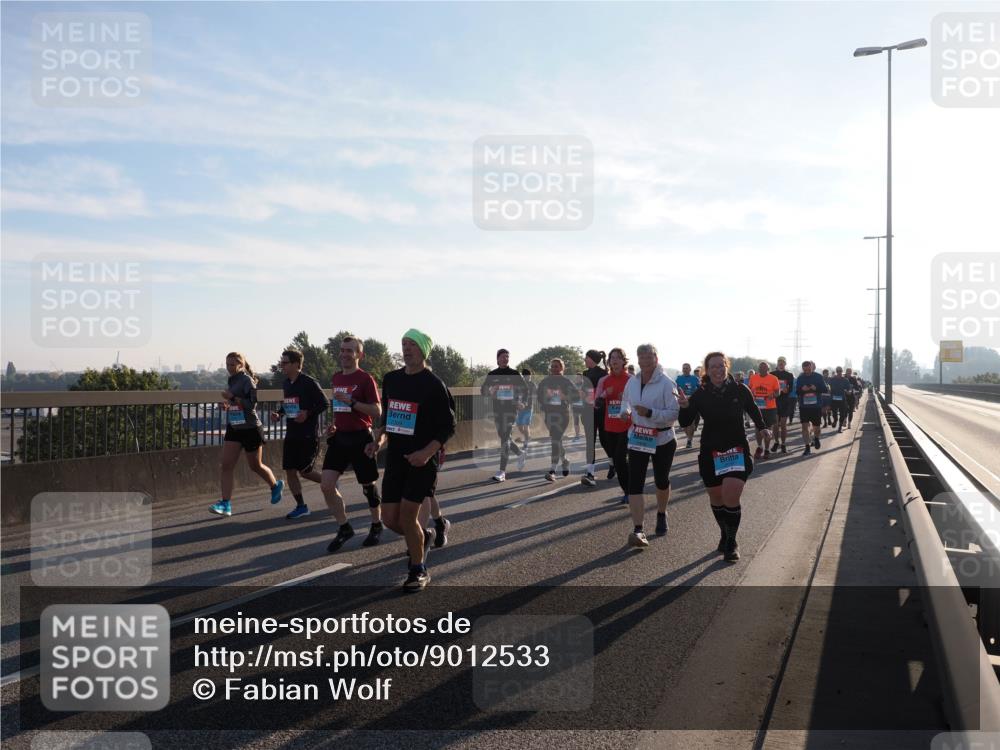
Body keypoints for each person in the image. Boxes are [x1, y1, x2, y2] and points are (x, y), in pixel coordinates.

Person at [369, 329, 455, 591]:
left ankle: (418, 570)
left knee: (408, 516)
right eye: (404, 344)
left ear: (423, 350)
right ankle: (424, 536)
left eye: (412, 345)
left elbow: (448, 427)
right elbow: (387, 421)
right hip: (396, 458)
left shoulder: (434, 384)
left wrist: (427, 452)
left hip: (422, 460)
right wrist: (378, 441)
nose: (407, 349)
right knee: (389, 519)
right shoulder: (392, 379)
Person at [677, 351, 769, 562]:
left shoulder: (740, 389)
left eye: (721, 365)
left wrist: (762, 427)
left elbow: (753, 409)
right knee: (716, 497)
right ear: (707, 371)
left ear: (727, 366)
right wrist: (684, 407)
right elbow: (686, 421)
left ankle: (731, 542)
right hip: (710, 450)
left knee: (731, 493)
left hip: (736, 448)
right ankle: (724, 533)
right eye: (713, 367)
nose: (718, 370)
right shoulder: (700, 393)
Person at [321, 336, 385, 552]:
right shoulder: (336, 377)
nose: (345, 354)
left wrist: (353, 402)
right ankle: (344, 527)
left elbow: (377, 412)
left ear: (359, 354)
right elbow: (339, 408)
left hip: (361, 437)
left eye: (350, 350)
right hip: (340, 438)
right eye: (342, 350)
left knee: (368, 486)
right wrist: (333, 425)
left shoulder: (366, 379)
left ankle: (376, 525)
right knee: (326, 485)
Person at [620, 344, 679, 547]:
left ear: (656, 357)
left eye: (648, 357)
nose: (644, 361)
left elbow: (674, 413)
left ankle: (661, 513)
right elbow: (625, 400)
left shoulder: (666, 383)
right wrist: (625, 412)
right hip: (638, 437)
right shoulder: (633, 381)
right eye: (641, 357)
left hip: (662, 439)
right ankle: (638, 529)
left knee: (661, 480)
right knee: (634, 483)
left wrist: (651, 413)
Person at [210, 352, 283, 517]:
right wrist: (227, 405)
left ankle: (275, 485)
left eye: (232, 364)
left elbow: (251, 405)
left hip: (250, 428)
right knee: (226, 465)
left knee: (255, 466)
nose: (229, 368)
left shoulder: (247, 380)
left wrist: (232, 397)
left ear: (240, 364)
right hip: (235, 427)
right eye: (227, 364)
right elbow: (236, 402)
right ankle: (225, 504)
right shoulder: (232, 380)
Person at [269, 349, 329, 520]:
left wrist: (307, 413)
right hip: (292, 433)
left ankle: (329, 482)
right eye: (282, 362)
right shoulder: (286, 382)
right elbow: (288, 405)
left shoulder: (309, 382)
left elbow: (324, 403)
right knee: (289, 470)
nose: (282, 365)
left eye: (285, 362)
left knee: (305, 471)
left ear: (296, 364)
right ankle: (301, 506)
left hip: (308, 434)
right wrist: (279, 414)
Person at [480, 349, 528, 482]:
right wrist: (490, 391)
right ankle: (520, 453)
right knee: (504, 437)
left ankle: (502, 471)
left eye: (507, 357)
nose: (505, 359)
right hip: (497, 410)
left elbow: (525, 390)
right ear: (498, 359)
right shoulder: (492, 374)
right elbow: (483, 391)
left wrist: (522, 402)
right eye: (503, 357)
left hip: (511, 410)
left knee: (504, 439)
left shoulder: (514, 373)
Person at [594, 347, 631, 503]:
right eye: (612, 358)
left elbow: (638, 401)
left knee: (620, 458)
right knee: (617, 461)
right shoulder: (604, 381)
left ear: (623, 361)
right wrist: (604, 395)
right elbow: (596, 404)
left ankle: (630, 492)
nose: (615, 360)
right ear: (609, 362)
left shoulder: (631, 379)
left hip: (627, 425)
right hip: (610, 426)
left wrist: (626, 398)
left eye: (618, 357)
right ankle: (627, 489)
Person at [536, 359, 579, 481]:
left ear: (562, 368)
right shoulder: (545, 381)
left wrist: (564, 396)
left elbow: (576, 397)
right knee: (557, 440)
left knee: (555, 439)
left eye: (557, 366)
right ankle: (565, 460)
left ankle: (552, 470)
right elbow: (539, 397)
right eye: (553, 366)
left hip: (562, 415)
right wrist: (546, 397)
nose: (555, 368)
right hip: (549, 415)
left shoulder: (566, 382)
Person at [581, 349, 609, 487]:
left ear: (592, 359)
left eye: (586, 357)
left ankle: (613, 462)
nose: (584, 360)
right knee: (589, 443)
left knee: (605, 441)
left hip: (600, 412)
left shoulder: (603, 373)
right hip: (587, 412)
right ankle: (590, 473)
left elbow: (604, 392)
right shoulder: (584, 374)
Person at [748, 361, 780, 459]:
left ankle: (766, 449)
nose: (762, 369)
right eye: (760, 367)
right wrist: (751, 395)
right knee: (758, 428)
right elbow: (749, 389)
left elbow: (778, 392)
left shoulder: (773, 378)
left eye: (764, 367)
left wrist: (772, 396)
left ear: (768, 369)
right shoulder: (753, 377)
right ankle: (760, 447)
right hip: (757, 407)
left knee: (768, 429)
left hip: (770, 408)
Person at [795, 361, 828, 455]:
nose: (807, 372)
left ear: (812, 368)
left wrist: (816, 388)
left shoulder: (818, 377)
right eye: (805, 370)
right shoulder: (800, 378)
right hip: (804, 406)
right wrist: (802, 389)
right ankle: (807, 447)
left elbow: (825, 390)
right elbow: (797, 392)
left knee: (817, 427)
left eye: (809, 369)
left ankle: (816, 438)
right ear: (802, 369)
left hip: (816, 406)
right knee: (804, 427)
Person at [771, 356, 796, 454]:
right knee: (775, 425)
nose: (781, 363)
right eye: (779, 362)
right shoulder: (772, 374)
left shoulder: (789, 375)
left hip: (785, 401)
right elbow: (770, 387)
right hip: (775, 401)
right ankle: (776, 442)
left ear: (785, 364)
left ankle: (784, 444)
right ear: (777, 363)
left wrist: (787, 390)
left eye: (783, 362)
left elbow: (790, 388)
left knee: (784, 425)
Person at [675, 363, 701, 449]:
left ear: (690, 369)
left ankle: (689, 440)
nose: (685, 370)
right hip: (682, 403)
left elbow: (700, 389)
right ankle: (688, 436)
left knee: (691, 423)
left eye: (686, 368)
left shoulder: (695, 378)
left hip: (692, 402)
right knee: (684, 424)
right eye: (684, 368)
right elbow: (675, 390)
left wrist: (693, 396)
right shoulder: (678, 379)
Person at [515, 368, 535, 471]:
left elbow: (535, 394)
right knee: (519, 426)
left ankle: (526, 441)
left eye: (529, 375)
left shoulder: (532, 385)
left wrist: (526, 401)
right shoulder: (519, 384)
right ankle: (527, 437)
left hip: (528, 408)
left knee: (526, 425)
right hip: (520, 408)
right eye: (526, 375)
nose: (528, 377)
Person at [828, 366, 852, 433]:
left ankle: (840, 427)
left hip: (842, 399)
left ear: (842, 372)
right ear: (836, 371)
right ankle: (835, 420)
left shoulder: (845, 380)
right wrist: (828, 390)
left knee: (842, 414)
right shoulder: (832, 379)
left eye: (840, 371)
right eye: (838, 371)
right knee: (834, 413)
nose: (839, 372)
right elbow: (828, 387)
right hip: (834, 399)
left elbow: (849, 389)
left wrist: (849, 392)